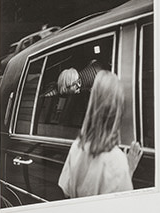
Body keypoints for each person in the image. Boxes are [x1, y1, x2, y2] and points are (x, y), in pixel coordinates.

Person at [56, 69, 143, 198]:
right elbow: (122, 208)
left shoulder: (76, 147)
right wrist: (129, 169)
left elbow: (66, 191)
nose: (79, 86)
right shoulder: (117, 161)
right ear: (118, 109)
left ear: (91, 103)